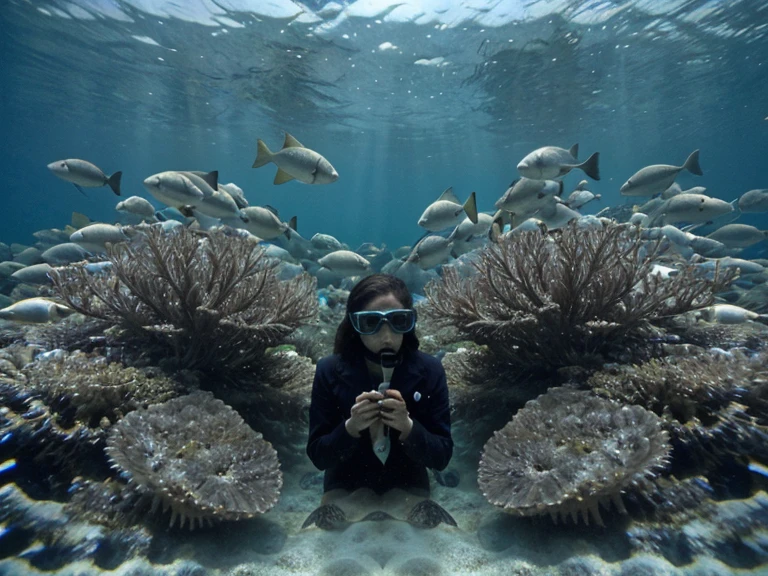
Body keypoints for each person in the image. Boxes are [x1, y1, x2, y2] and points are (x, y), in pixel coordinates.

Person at [306, 273, 453, 502]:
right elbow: (318, 456)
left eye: (398, 321)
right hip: (345, 487)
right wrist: (351, 427)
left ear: (410, 322)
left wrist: (408, 427)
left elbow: (442, 457)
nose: (386, 336)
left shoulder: (431, 369)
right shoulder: (328, 369)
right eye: (370, 323)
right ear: (354, 325)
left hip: (410, 487)